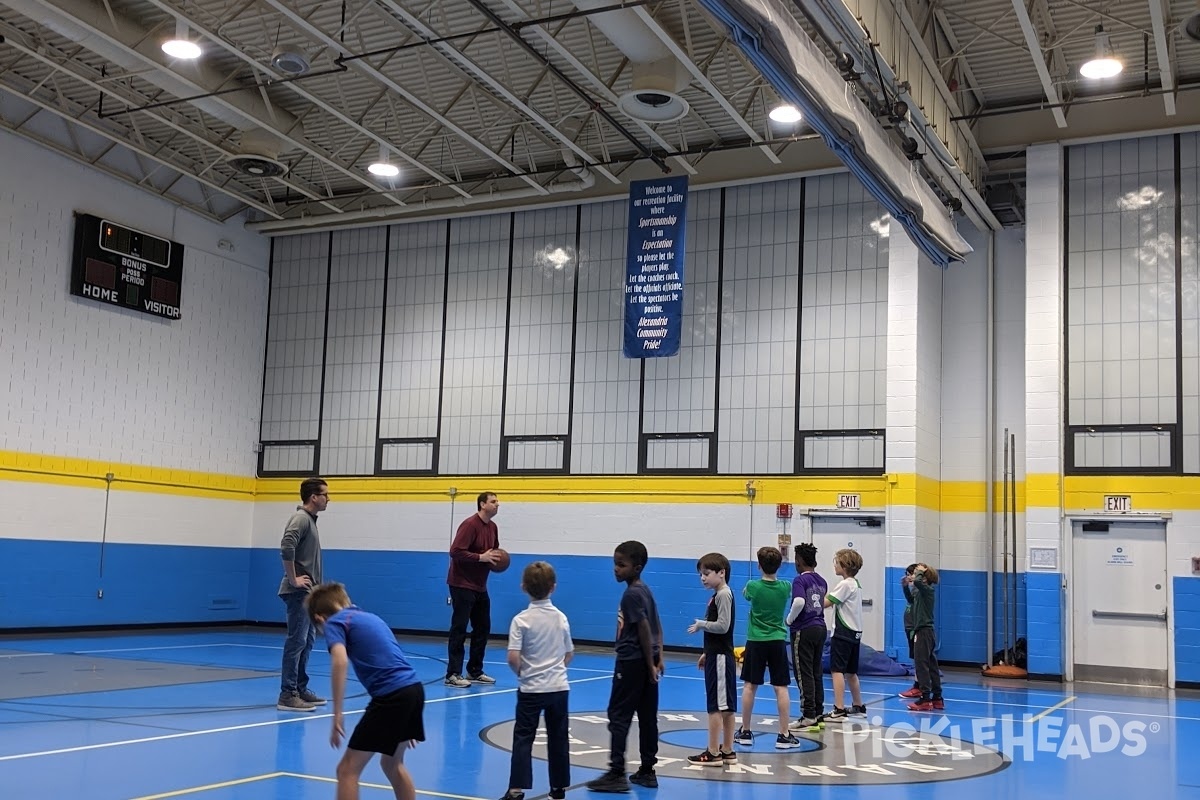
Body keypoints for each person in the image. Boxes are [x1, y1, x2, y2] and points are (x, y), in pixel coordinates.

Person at [306, 582, 425, 800]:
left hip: (392, 697)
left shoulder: (335, 622)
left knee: (346, 770)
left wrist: (338, 714)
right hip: (413, 690)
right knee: (392, 763)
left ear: (319, 618)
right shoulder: (371, 618)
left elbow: (340, 661)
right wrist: (405, 719)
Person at [586, 541, 664, 793]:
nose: (616, 569)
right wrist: (657, 656)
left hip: (631, 662)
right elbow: (657, 624)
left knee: (618, 716)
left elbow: (643, 627)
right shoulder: (644, 590)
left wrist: (650, 664)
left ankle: (616, 772)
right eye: (614, 564)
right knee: (647, 717)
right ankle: (647, 770)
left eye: (621, 565)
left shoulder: (631, 594)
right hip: (646, 660)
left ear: (637, 567)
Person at [501, 562, 573, 800]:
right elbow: (568, 653)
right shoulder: (561, 618)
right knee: (559, 738)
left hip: (531, 689)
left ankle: (516, 790)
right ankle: (559, 788)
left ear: (523, 587)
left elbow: (513, 657)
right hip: (559, 688)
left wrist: (523, 672)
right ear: (554, 587)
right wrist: (556, 670)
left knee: (523, 737)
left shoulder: (521, 620)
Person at [734, 547, 800, 749]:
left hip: (756, 640)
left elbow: (746, 595)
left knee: (749, 686)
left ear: (759, 565)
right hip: (778, 640)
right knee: (781, 687)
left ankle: (745, 731)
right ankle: (783, 734)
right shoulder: (785, 587)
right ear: (779, 566)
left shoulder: (753, 586)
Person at [277, 476, 328, 712]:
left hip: (309, 594)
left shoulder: (310, 521)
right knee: (296, 641)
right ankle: (288, 694)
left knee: (306, 642)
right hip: (298, 593)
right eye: (325, 494)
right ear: (313, 497)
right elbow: (287, 545)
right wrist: (293, 577)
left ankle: (299, 687)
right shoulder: (301, 519)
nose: (328, 499)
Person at [685, 552, 737, 766]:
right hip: (717, 655)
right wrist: (707, 652)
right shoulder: (718, 594)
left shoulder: (723, 594)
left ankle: (714, 752)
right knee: (725, 705)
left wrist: (701, 624)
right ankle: (727, 750)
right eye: (701, 575)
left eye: (706, 574)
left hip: (721, 658)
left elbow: (723, 626)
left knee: (716, 706)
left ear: (721, 573)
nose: (703, 578)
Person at [445, 491, 502, 688]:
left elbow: (492, 552)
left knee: (483, 628)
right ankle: (452, 674)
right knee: (459, 629)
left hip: (480, 586)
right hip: (461, 584)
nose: (498, 504)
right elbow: (455, 552)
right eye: (493, 501)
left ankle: (474, 671)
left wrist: (495, 559)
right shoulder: (470, 525)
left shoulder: (493, 527)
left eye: (497, 501)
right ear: (482, 504)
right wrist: (480, 558)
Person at [786, 543, 828, 731]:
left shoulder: (799, 581)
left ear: (799, 561)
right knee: (816, 670)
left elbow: (799, 601)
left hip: (804, 629)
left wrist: (789, 620)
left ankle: (808, 714)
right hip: (820, 627)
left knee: (803, 673)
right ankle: (818, 712)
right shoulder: (822, 580)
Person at [822, 548, 867, 723]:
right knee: (851, 672)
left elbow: (827, 602)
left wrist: (812, 602)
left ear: (844, 565)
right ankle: (858, 705)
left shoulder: (845, 584)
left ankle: (839, 708)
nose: (834, 565)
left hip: (843, 633)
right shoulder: (856, 583)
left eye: (837, 562)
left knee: (837, 670)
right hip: (855, 633)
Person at [905, 563, 944, 711]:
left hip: (924, 632)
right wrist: (904, 587)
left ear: (924, 579)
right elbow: (910, 600)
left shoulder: (927, 591)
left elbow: (916, 582)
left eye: (916, 574)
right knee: (932, 665)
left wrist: (920, 572)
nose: (913, 576)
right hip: (924, 632)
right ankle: (937, 697)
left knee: (921, 665)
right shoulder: (919, 593)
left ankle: (925, 698)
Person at [898, 563, 923, 699]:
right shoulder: (914, 591)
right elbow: (909, 600)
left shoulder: (921, 591)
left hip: (915, 628)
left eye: (912, 574)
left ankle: (919, 686)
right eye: (908, 574)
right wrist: (905, 587)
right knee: (915, 657)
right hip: (909, 628)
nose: (909, 577)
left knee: (920, 658)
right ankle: (919, 684)